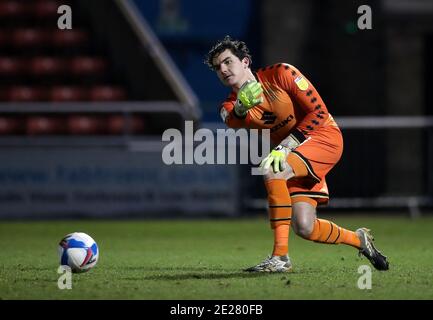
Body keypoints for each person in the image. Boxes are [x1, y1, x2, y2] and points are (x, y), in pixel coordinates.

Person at [205, 36, 389, 272]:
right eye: (218, 67)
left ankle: (280, 258)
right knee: (305, 226)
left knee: (273, 169)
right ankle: (359, 240)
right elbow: (233, 119)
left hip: (323, 137)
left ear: (245, 61)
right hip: (296, 153)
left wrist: (285, 146)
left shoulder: (281, 73)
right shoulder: (229, 106)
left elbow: (319, 113)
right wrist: (242, 106)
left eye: (228, 62)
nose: (223, 69)